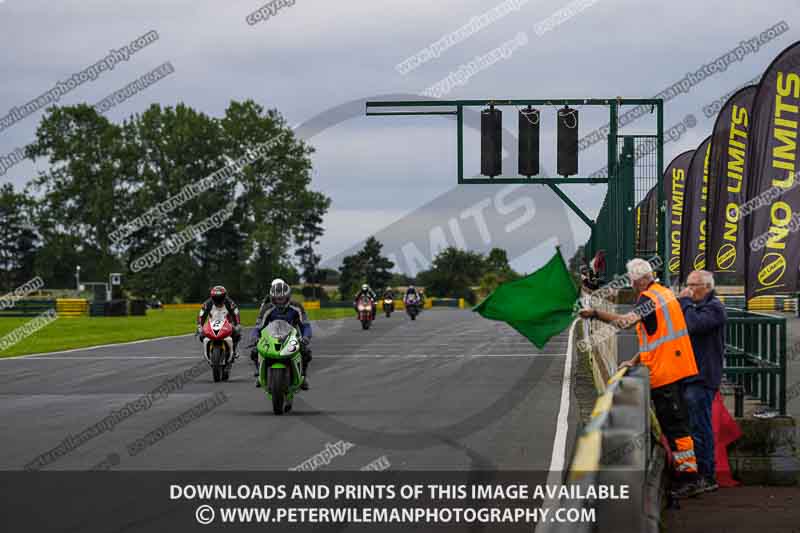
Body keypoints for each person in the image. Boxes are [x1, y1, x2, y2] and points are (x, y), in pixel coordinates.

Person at [579, 258, 702, 498]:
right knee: (677, 425)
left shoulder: (648, 299)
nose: (633, 286)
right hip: (677, 368)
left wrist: (594, 313)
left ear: (642, 279)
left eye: (634, 281)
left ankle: (690, 478)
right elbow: (656, 338)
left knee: (676, 428)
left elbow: (625, 323)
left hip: (665, 373)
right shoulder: (664, 293)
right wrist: (634, 361)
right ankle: (686, 473)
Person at [679, 270, 727, 493]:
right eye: (687, 284)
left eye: (693, 285)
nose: (688, 289)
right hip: (689, 374)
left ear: (706, 287)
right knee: (691, 427)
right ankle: (692, 474)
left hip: (703, 376)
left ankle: (706, 475)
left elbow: (694, 325)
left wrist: (686, 301)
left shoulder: (715, 307)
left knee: (700, 427)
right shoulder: (696, 306)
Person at [250, 279, 313, 390]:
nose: (279, 301)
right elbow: (258, 326)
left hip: (292, 337)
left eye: (282, 298)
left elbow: (306, 325)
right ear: (272, 298)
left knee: (306, 352)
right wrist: (255, 336)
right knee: (255, 351)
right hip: (271, 336)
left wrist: (306, 337)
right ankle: (260, 374)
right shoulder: (267, 308)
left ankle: (303, 376)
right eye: (276, 299)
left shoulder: (297, 307)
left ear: (288, 297)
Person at [197, 286, 242, 356]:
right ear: (212, 297)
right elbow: (201, 315)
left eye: (220, 298)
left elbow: (236, 313)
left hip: (227, 324)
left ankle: (234, 350)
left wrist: (238, 324)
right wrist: (200, 325)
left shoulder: (230, 303)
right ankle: (209, 350)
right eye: (216, 298)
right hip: (211, 324)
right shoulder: (207, 304)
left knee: (237, 334)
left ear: (224, 296)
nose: (218, 300)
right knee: (201, 335)